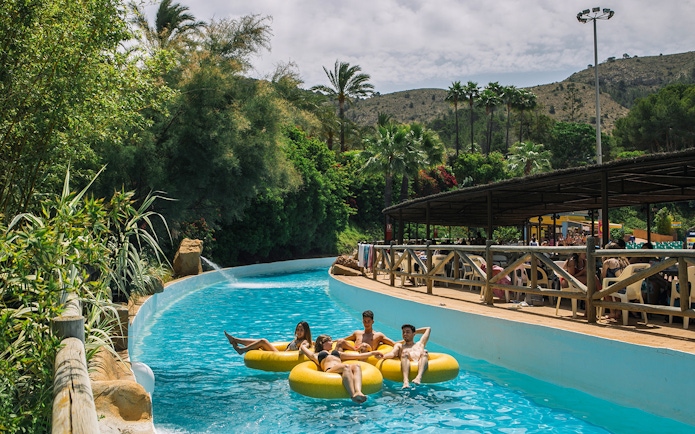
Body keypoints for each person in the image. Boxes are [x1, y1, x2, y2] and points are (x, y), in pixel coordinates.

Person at [299, 335, 383, 403]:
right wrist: (303, 346)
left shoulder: (337, 353)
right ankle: (352, 395)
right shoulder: (317, 355)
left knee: (357, 366)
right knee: (345, 366)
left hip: (341, 368)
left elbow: (358, 356)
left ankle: (358, 391)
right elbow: (305, 349)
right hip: (330, 370)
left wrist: (373, 353)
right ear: (322, 343)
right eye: (329, 341)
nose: (332, 343)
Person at [224, 321, 311, 355]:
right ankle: (235, 340)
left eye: (301, 330)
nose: (299, 332)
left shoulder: (303, 341)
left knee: (263, 341)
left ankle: (242, 350)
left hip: (281, 356)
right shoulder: (298, 340)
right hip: (281, 353)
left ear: (306, 332)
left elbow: (305, 346)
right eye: (297, 329)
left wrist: (303, 348)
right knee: (258, 342)